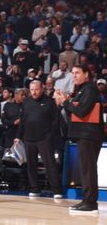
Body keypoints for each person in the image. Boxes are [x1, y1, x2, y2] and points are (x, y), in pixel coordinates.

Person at [55, 65, 103, 214]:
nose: (74, 76)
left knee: (88, 169)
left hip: (89, 135)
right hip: (84, 135)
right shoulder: (82, 90)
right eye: (73, 73)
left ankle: (90, 203)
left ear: (86, 74)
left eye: (77, 73)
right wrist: (67, 101)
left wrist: (65, 102)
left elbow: (81, 111)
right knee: (86, 168)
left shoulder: (90, 89)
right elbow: (74, 111)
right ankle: (87, 200)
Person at [18, 80, 62, 198]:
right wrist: (18, 136)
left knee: (50, 164)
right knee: (31, 165)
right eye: (32, 90)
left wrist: (49, 135)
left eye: (36, 89)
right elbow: (22, 120)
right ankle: (34, 189)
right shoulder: (26, 102)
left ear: (42, 88)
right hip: (29, 138)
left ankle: (57, 190)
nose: (34, 92)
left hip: (44, 138)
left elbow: (55, 121)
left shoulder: (50, 102)